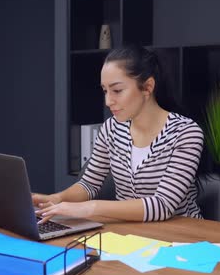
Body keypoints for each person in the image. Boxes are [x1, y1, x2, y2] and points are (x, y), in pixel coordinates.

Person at [33, 45, 204, 223]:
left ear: (147, 87)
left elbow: (162, 205)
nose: (108, 101)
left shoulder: (186, 133)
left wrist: (90, 208)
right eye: (105, 91)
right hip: (129, 235)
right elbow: (89, 184)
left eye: (117, 90)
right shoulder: (111, 128)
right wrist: (57, 198)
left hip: (181, 239)